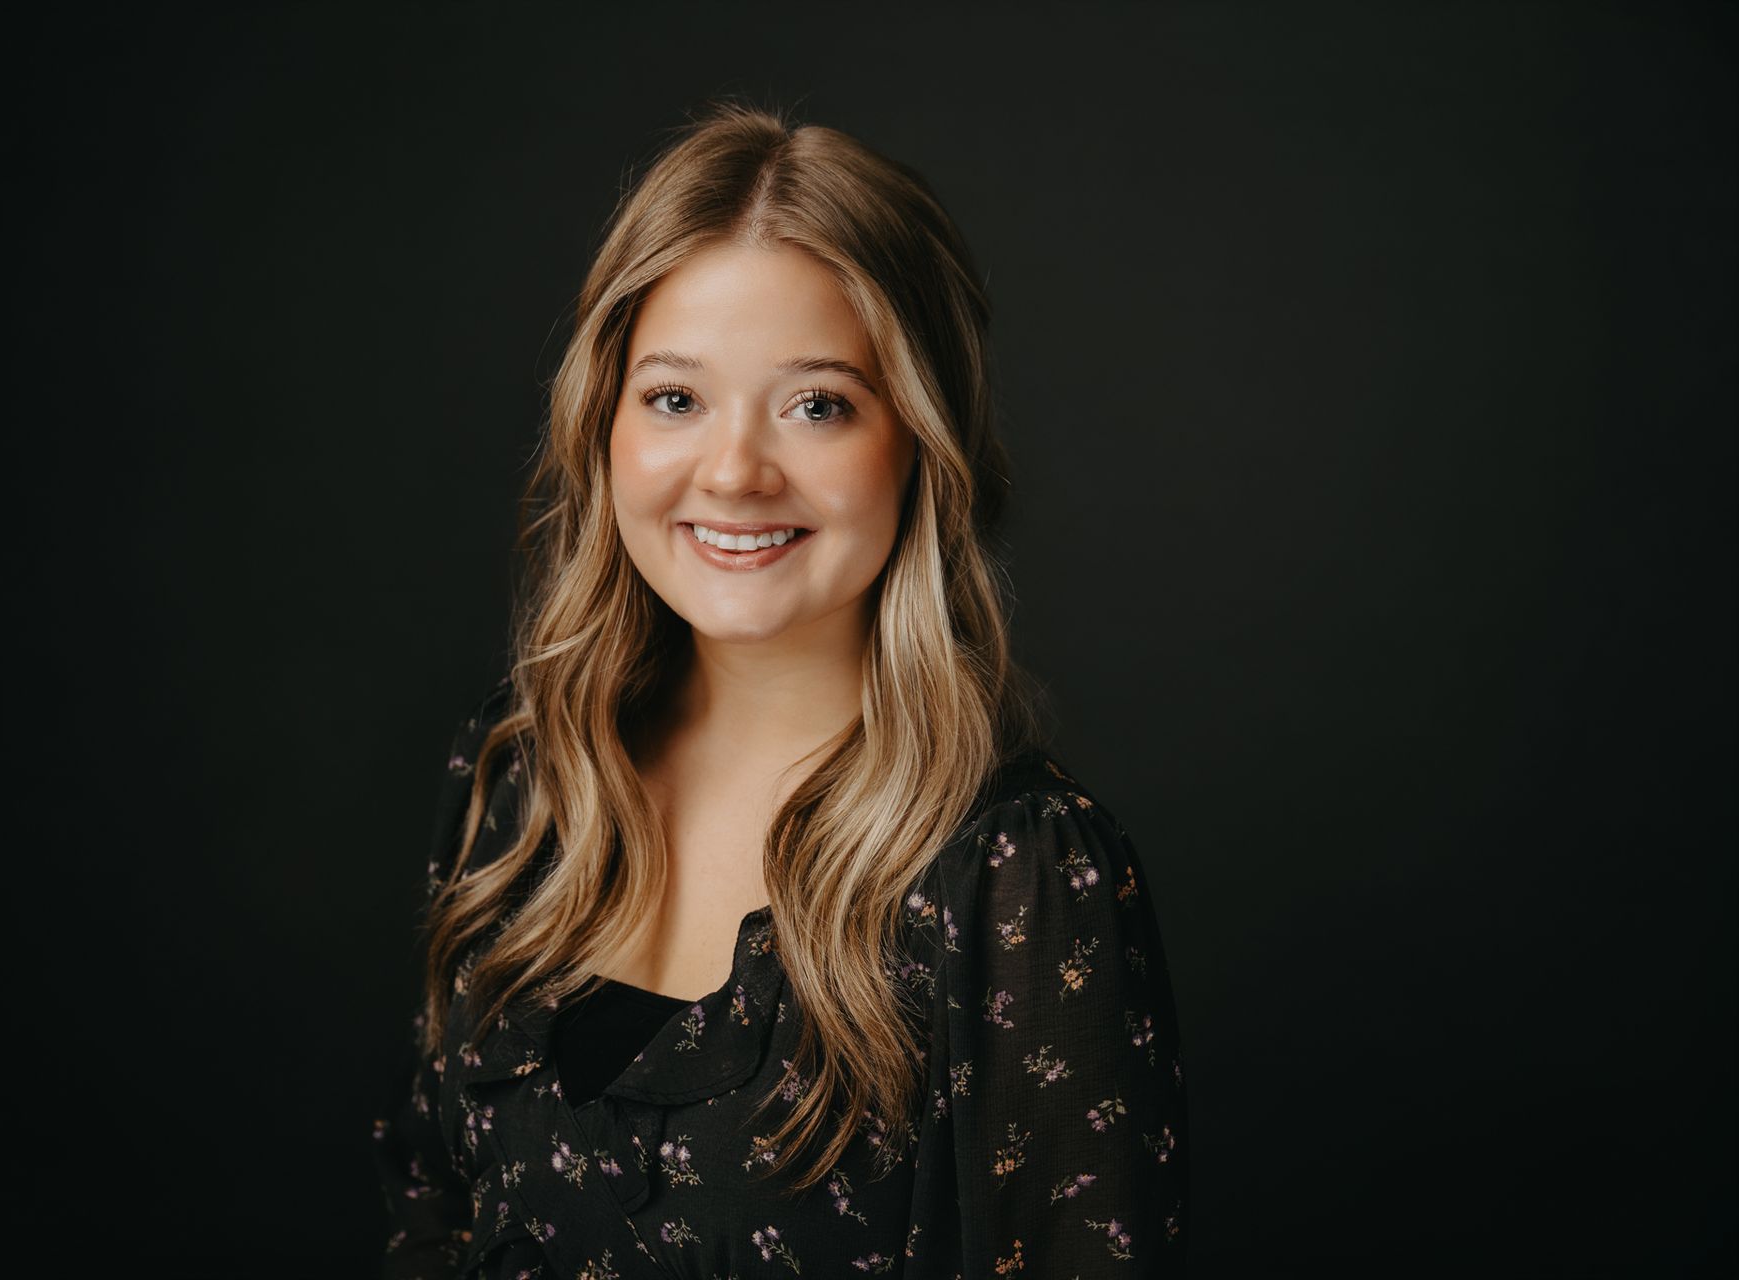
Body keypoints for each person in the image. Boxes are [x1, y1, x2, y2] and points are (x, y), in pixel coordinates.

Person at [373, 101, 1188, 1277]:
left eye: (819, 403)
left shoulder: (1021, 879)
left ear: (922, 437)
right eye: (674, 397)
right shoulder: (522, 780)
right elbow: (427, 1222)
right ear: (602, 425)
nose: (737, 470)